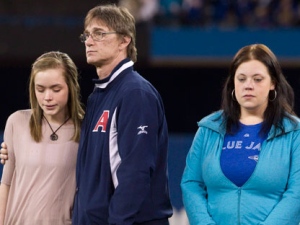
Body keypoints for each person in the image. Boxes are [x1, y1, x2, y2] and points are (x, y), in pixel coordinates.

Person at [73, 4, 172, 225]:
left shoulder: (135, 93)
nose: (89, 41)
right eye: (87, 35)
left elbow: (136, 173)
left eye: (99, 33)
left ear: (124, 40)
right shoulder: (98, 95)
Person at [181, 44, 300, 225]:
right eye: (241, 79)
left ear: (273, 83)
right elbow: (191, 184)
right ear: (233, 84)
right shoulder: (208, 129)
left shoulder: (294, 132)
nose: (248, 86)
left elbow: (297, 192)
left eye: (258, 79)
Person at [0, 51, 85, 225]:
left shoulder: (86, 129)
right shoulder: (17, 121)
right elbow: (6, 183)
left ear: (71, 86)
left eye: (56, 89)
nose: (47, 97)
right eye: (40, 89)